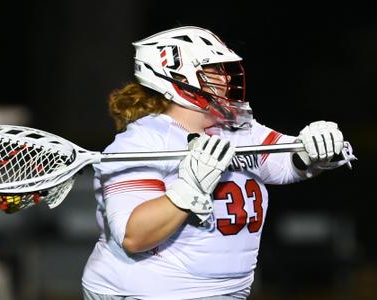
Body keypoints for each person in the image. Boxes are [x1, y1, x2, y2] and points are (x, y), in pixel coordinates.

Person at [81, 26, 351, 300]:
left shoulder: (238, 128)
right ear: (175, 76)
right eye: (213, 70)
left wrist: (314, 151)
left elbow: (284, 164)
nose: (225, 78)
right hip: (146, 291)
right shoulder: (142, 141)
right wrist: (189, 190)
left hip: (224, 291)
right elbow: (134, 237)